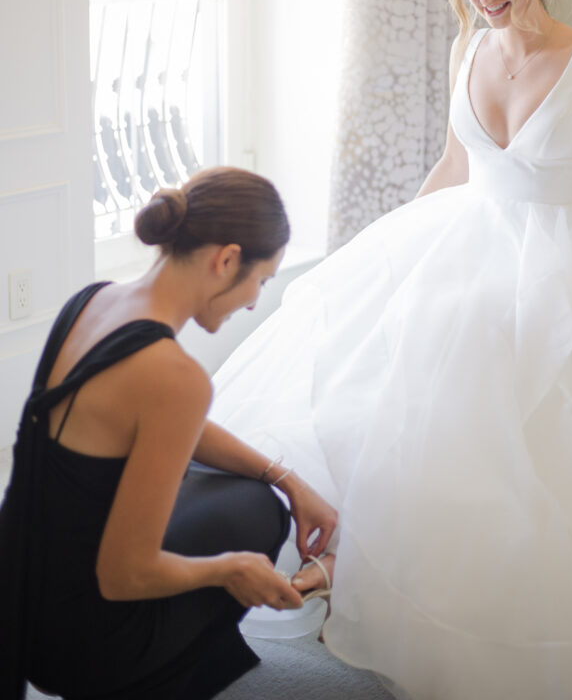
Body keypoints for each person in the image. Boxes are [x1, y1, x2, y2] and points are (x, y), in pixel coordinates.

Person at [209, 0, 572, 699]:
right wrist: (389, 241)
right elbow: (453, 166)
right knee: (404, 389)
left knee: (534, 417)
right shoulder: (467, 45)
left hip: (564, 247)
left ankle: (531, 602)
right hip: (467, 236)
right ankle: (373, 568)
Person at [0, 166, 337, 700]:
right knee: (256, 513)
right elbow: (123, 577)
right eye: (261, 280)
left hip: (20, 601)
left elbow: (177, 423)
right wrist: (232, 569)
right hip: (81, 645)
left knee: (243, 488)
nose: (254, 301)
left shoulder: (92, 301)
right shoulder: (174, 377)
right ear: (225, 260)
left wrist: (288, 478)